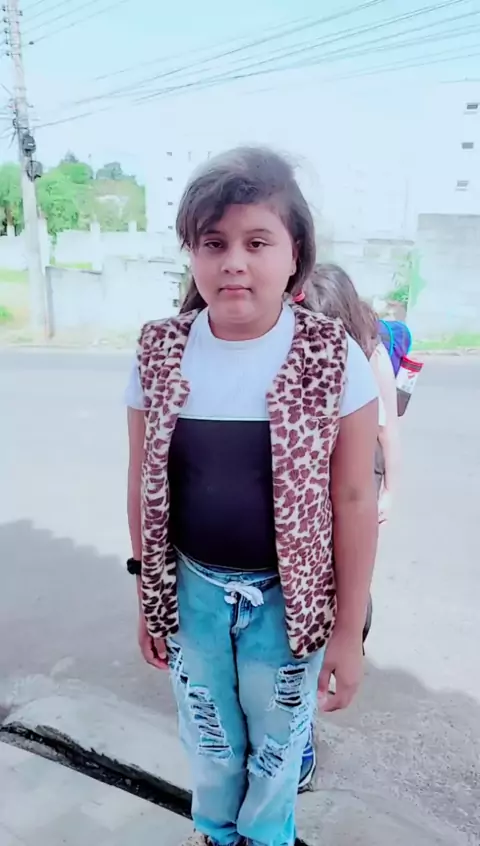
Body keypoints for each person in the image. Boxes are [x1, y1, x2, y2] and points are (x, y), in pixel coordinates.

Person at [125, 147, 379, 846]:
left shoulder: (332, 357)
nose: (234, 261)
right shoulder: (158, 352)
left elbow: (355, 497)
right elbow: (141, 480)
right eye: (214, 243)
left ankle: (266, 837)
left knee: (278, 744)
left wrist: (348, 633)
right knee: (209, 736)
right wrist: (148, 593)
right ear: (192, 254)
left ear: (296, 254)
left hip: (289, 603)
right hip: (194, 594)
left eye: (257, 242)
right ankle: (213, 831)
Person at [297, 262, 400, 792]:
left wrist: (389, 491)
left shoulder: (369, 356)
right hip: (311, 486)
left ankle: (302, 730)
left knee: (342, 597)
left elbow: (389, 431)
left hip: (356, 477)